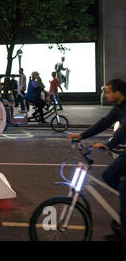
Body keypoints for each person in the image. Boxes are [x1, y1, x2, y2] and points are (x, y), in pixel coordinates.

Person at [68, 78, 126, 240]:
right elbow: (104, 122)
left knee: (124, 188)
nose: (106, 94)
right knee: (109, 175)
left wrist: (109, 145)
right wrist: (81, 136)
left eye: (108, 91)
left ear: (117, 93)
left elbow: (123, 132)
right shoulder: (118, 107)